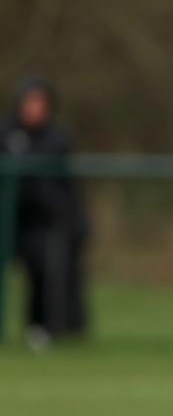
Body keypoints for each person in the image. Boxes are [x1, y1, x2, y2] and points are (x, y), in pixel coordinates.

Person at [0, 77, 88, 348]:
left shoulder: (57, 137)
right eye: (30, 101)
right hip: (7, 219)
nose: (34, 108)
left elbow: (63, 189)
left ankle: (42, 329)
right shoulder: (5, 132)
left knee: (47, 267)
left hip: (42, 221)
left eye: (40, 102)